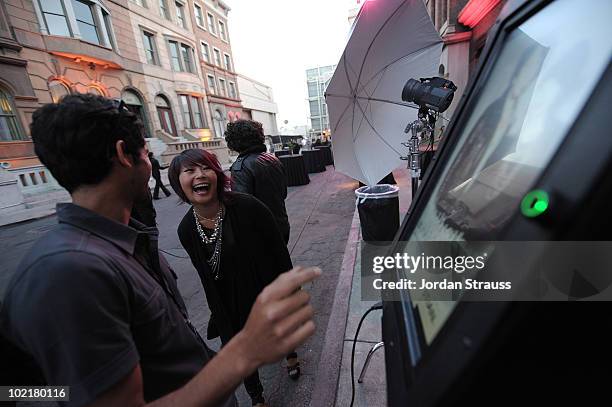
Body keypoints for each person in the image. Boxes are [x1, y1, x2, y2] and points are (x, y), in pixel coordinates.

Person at [0, 94, 319, 407]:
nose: (151, 159)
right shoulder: (69, 271)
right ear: (125, 154)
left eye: (204, 169)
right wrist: (244, 350)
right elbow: (24, 392)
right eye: (146, 148)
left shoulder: (127, 241)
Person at [168, 149, 300, 407]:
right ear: (178, 183)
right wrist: (217, 310)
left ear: (216, 175)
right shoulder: (186, 230)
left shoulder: (248, 206)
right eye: (190, 171)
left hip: (264, 285)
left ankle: (291, 355)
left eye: (205, 168)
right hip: (228, 296)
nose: (199, 175)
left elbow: (277, 250)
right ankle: (256, 396)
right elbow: (205, 276)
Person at [225, 120, 291, 243]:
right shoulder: (273, 159)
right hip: (281, 224)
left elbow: (242, 208)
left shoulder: (240, 167)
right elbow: (283, 193)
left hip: (260, 233)